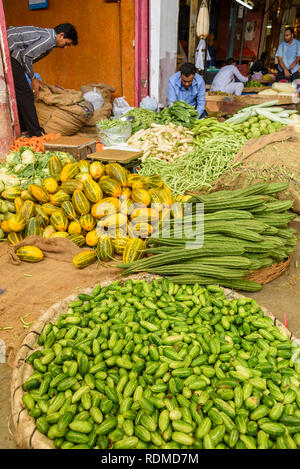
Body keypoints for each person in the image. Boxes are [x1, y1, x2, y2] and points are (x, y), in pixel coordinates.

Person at [7, 23, 78, 137]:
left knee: (21, 93)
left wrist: (31, 77)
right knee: (26, 94)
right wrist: (33, 78)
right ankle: (36, 133)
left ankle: (24, 128)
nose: (65, 48)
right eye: (67, 43)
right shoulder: (49, 40)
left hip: (13, 54)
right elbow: (26, 56)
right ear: (61, 35)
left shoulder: (48, 37)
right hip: (8, 52)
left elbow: (23, 56)